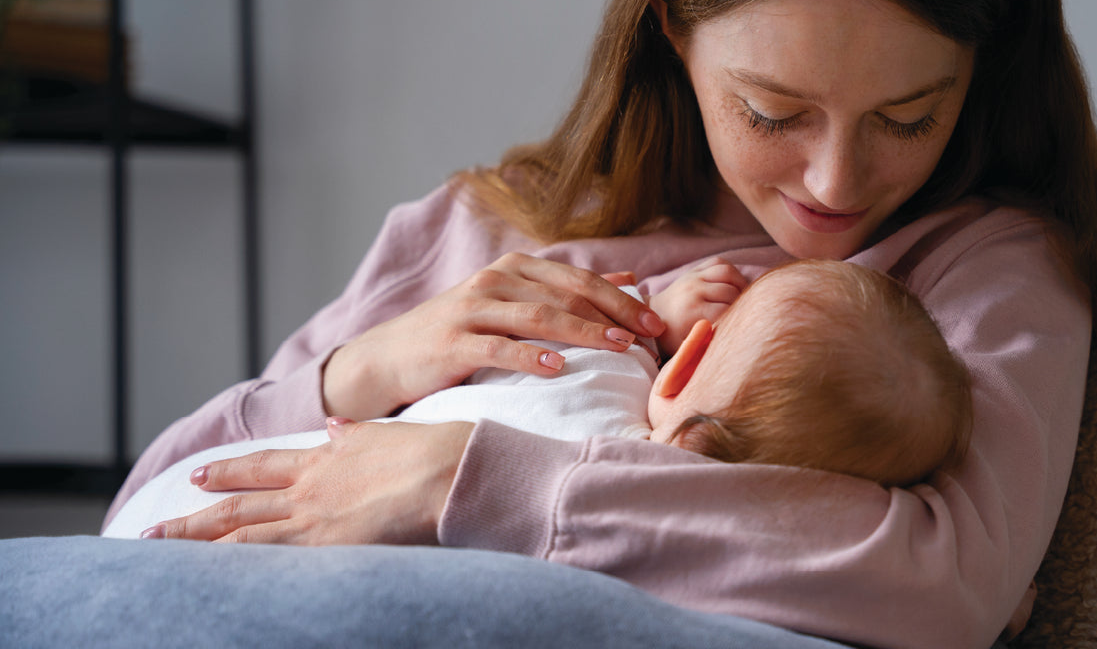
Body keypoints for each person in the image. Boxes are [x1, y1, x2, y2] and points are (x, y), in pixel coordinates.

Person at [105, 0, 1097, 649]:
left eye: (908, 116)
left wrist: (461, 483)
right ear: (672, 33)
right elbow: (156, 504)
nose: (835, 181)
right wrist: (363, 368)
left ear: (983, 73)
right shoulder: (489, 226)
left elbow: (949, 582)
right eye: (773, 112)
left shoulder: (981, 271)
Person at [105, 259, 971, 539]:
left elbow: (602, 338)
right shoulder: (651, 510)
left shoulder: (594, 360)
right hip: (239, 504)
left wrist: (658, 312)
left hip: (195, 498)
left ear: (687, 357)